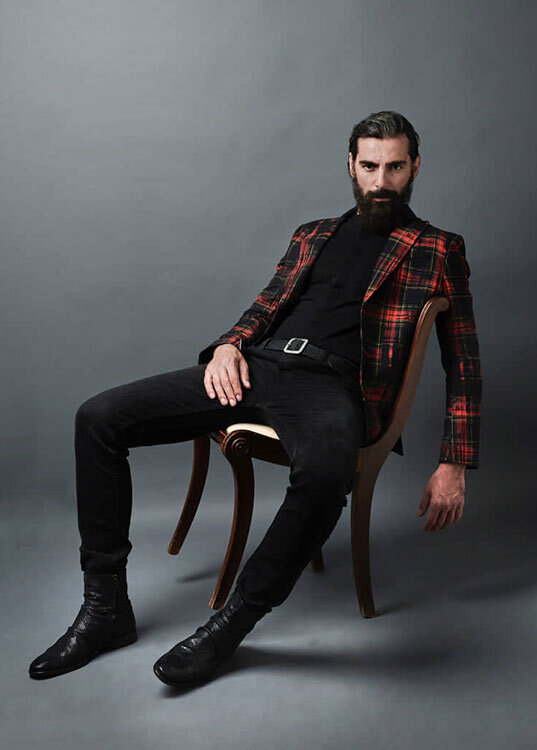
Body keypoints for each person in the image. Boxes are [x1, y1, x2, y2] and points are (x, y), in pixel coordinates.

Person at [28, 111, 482, 686]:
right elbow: (265, 306)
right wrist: (227, 346)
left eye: (394, 167)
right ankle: (105, 609)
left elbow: (463, 359)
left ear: (415, 167)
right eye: (370, 166)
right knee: (98, 418)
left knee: (326, 475)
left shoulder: (438, 248)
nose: (380, 181)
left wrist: (453, 461)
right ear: (351, 165)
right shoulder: (313, 233)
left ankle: (232, 624)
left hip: (335, 387)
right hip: (259, 366)